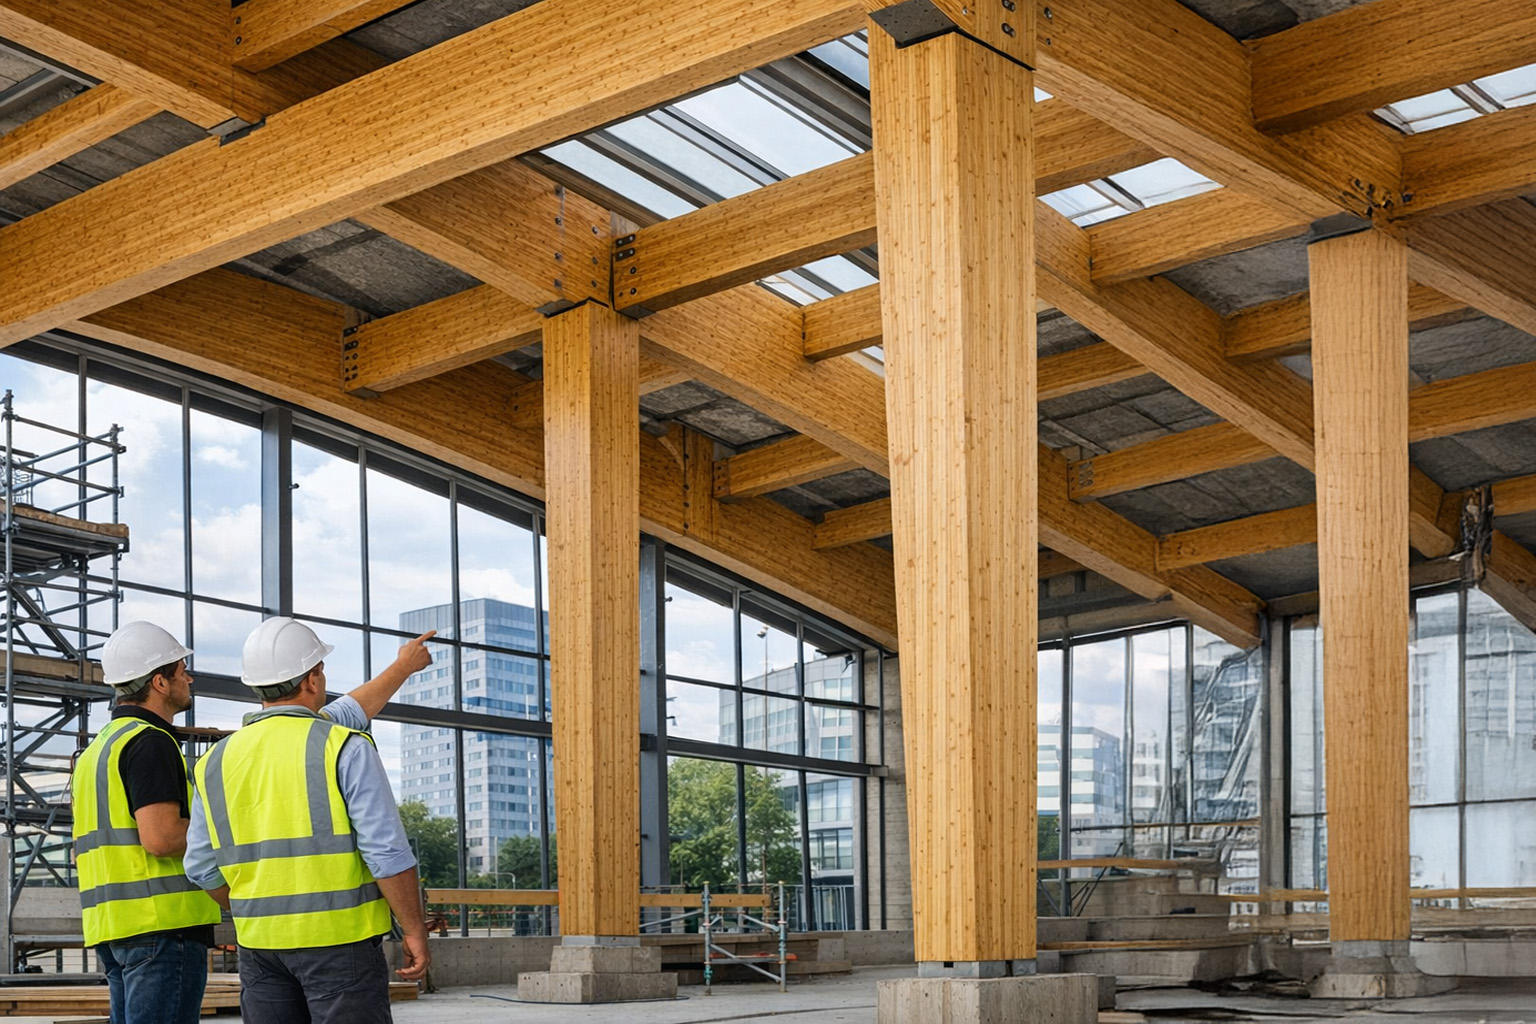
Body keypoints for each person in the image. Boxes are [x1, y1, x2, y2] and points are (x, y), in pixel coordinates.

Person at [183, 617, 435, 1024]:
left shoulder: (215, 761)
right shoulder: (343, 748)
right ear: (313, 679)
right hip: (341, 944)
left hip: (260, 949)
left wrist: (259, 908)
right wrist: (414, 929)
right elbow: (387, 854)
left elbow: (199, 865)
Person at [72, 621, 223, 1024]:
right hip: (162, 928)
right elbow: (161, 837)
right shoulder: (150, 742)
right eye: (181, 671)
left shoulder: (97, 751)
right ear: (159, 682)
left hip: (115, 927)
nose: (189, 679)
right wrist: (226, 832)